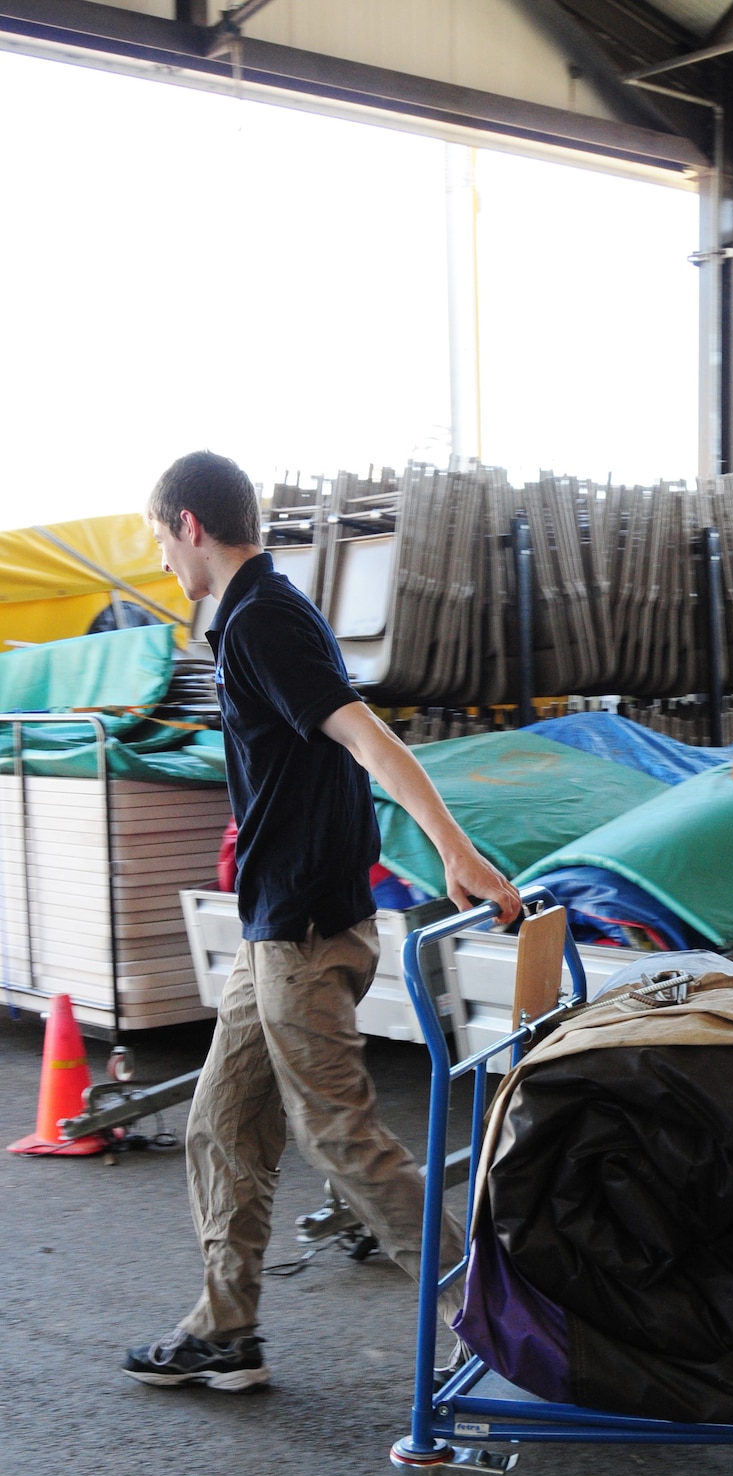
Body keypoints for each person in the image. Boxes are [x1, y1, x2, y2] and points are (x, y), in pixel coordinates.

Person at [124, 450, 522, 1391]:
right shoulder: (261, 613)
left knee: (340, 1137)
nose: (162, 565)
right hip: (274, 926)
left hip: (301, 933)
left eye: (159, 540)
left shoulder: (264, 620)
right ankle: (226, 1327)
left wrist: (455, 852)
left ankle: (497, 1316)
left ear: (190, 525)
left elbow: (367, 739)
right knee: (221, 1125)